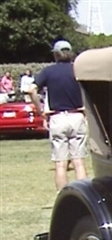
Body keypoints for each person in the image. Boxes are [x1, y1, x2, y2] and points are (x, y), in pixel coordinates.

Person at [30, 40, 89, 191]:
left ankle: (63, 198)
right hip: (76, 116)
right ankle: (82, 196)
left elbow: (32, 90)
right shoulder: (78, 70)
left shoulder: (48, 72)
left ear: (55, 54)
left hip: (57, 118)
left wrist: (41, 110)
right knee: (79, 162)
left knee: (60, 163)